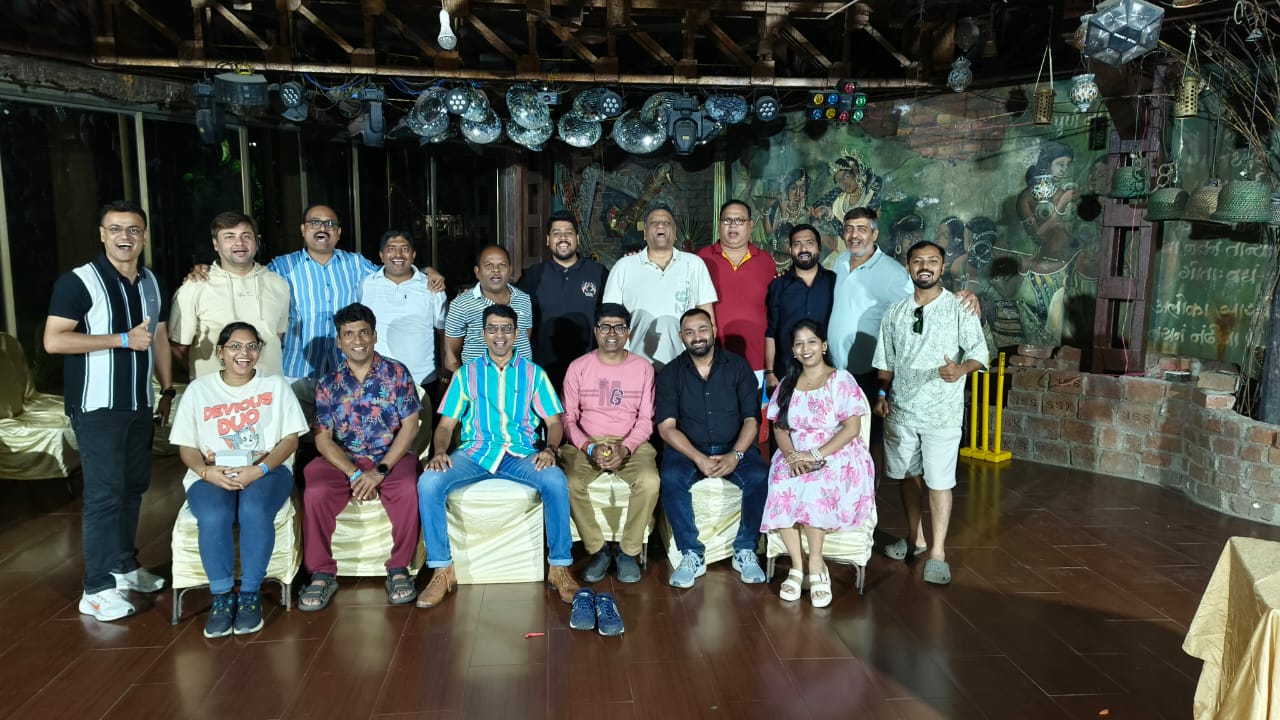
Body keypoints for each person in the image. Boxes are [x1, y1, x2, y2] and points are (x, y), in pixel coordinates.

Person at [44, 200, 174, 622]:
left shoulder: (151, 281)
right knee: (104, 495)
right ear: (102, 235)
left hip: (139, 403)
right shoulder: (78, 282)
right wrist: (120, 339)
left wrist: (167, 389)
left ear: (144, 236)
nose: (125, 236)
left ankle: (123, 567)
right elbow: (54, 341)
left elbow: (158, 337)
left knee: (133, 487)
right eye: (116, 229)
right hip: (97, 406)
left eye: (133, 229)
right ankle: (96, 588)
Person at [416, 304, 580, 608]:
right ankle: (442, 570)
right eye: (492, 329)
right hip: (475, 452)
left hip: (521, 453)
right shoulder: (466, 375)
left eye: (506, 329)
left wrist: (550, 449)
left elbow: (555, 422)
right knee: (429, 482)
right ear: (483, 334)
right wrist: (439, 451)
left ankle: (559, 568)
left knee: (555, 480)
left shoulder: (534, 374)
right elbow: (446, 425)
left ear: (516, 334)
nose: (499, 335)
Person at [168, 322, 307, 637]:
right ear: (220, 351)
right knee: (214, 514)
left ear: (259, 351)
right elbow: (186, 446)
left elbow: (290, 440)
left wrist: (260, 470)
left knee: (253, 509)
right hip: (211, 471)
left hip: (267, 470)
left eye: (251, 346)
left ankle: (249, 595)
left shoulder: (275, 386)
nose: (244, 353)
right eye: (235, 346)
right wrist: (206, 472)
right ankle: (221, 597)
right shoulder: (199, 390)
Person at [872, 241, 989, 586]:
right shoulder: (895, 312)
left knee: (939, 481)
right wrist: (882, 393)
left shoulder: (959, 307)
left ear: (942, 266)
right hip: (902, 410)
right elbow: (886, 360)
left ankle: (937, 552)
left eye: (932, 261)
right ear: (908, 267)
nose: (925, 267)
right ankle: (915, 538)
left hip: (942, 411)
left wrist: (961, 369)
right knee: (908, 477)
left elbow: (979, 352)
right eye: (918, 261)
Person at [299, 303, 422, 610]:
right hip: (344, 459)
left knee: (408, 487)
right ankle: (321, 573)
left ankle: (399, 569)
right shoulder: (328, 384)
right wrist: (354, 473)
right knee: (315, 488)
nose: (358, 340)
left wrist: (379, 471)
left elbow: (410, 426)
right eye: (349, 334)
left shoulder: (397, 373)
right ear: (339, 341)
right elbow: (322, 438)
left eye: (364, 333)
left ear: (375, 335)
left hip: (390, 456)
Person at [763, 320, 875, 607]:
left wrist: (815, 455)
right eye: (799, 343)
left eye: (811, 341)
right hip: (795, 452)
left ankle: (816, 564)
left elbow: (852, 429)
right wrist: (791, 457)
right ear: (793, 350)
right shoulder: (788, 383)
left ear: (823, 345)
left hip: (835, 452)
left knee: (813, 485)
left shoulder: (840, 380)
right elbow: (779, 427)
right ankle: (797, 566)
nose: (806, 348)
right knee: (781, 483)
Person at [656, 308, 768, 588]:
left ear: (714, 331)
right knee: (670, 477)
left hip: (734, 446)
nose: (697, 337)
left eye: (702, 329)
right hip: (688, 450)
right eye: (689, 332)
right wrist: (698, 458)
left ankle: (745, 549)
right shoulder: (670, 373)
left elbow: (752, 420)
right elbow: (666, 427)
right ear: (681, 337)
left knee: (759, 476)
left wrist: (736, 455)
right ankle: (691, 554)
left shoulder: (738, 367)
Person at [559, 303, 659, 583]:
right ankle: (598, 550)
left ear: (628, 332)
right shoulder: (578, 367)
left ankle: (628, 552)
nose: (612, 333)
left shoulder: (643, 368)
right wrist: (589, 447)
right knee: (568, 483)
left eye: (619, 327)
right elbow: (567, 418)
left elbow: (646, 420)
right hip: (586, 443)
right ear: (596, 331)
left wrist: (625, 448)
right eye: (605, 327)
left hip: (630, 443)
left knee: (650, 481)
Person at [826, 208, 913, 443]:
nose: (854, 235)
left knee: (867, 440)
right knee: (838, 438)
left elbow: (914, 310)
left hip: (868, 374)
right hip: (835, 371)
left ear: (874, 234)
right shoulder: (840, 261)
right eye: (849, 229)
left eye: (861, 229)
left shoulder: (892, 273)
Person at [169, 211, 290, 378]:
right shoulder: (195, 286)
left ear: (256, 242)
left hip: (267, 389)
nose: (239, 243)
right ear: (215, 244)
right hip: (214, 391)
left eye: (246, 236)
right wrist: (209, 377)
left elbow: (277, 335)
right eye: (229, 237)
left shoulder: (278, 284)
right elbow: (178, 346)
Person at [602, 203, 717, 369]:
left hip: (685, 364)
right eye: (654, 222)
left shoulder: (694, 264)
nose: (660, 226)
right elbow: (609, 318)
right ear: (645, 233)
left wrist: (707, 359)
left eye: (666, 222)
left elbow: (706, 314)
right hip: (634, 364)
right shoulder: (623, 267)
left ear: (675, 232)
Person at [516, 210, 608, 390]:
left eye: (568, 233)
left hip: (588, 368)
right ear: (548, 240)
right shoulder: (534, 275)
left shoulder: (597, 272)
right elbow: (515, 313)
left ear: (577, 238)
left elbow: (611, 315)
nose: (563, 238)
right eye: (557, 233)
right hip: (544, 369)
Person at [359, 229, 447, 413]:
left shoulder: (431, 286)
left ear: (413, 255)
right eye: (391, 249)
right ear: (381, 255)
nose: (398, 255)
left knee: (422, 431)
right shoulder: (366, 284)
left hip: (422, 380)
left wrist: (445, 377)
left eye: (404, 249)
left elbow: (443, 333)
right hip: (377, 379)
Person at [697, 200, 776, 388]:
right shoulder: (700, 259)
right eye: (727, 220)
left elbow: (773, 310)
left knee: (754, 406)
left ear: (751, 225)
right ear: (719, 224)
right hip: (711, 359)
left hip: (756, 359)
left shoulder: (766, 261)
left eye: (739, 220)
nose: (733, 225)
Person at [764, 224, 836, 395]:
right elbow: (771, 332)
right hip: (786, 372)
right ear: (790, 249)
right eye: (797, 244)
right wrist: (770, 372)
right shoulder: (778, 285)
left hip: (827, 372)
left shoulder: (834, 282)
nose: (803, 249)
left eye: (809, 243)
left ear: (819, 247)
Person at [442, 244, 534, 373]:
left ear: (510, 270)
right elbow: (451, 356)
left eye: (502, 265)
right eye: (488, 265)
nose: (496, 270)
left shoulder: (524, 299)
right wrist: (465, 383)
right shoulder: (461, 304)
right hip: (479, 382)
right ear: (477, 272)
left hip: (521, 379)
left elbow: (524, 337)